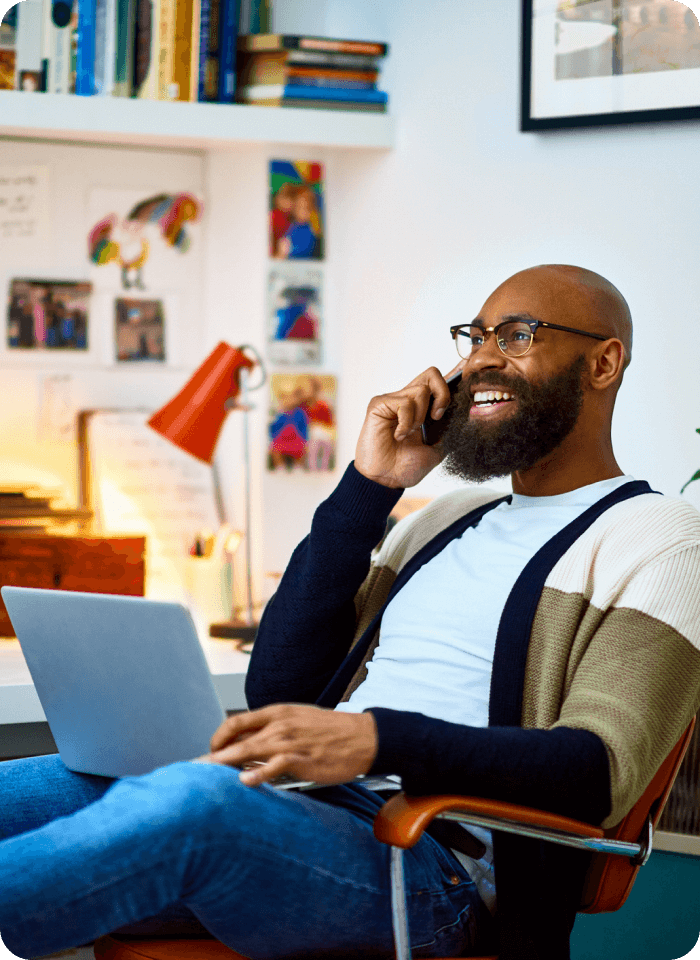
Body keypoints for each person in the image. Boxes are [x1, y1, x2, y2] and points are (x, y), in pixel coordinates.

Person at [1, 264, 699, 960]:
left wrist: (375, 741)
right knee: (25, 787)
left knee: (195, 805)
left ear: (603, 362)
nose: (481, 358)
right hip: (296, 808)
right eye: (475, 337)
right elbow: (278, 685)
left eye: (517, 336)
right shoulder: (447, 517)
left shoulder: (662, 537)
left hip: (429, 866)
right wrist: (368, 487)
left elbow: (597, 771)